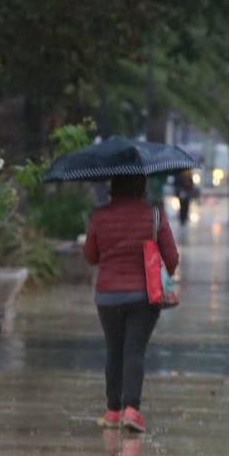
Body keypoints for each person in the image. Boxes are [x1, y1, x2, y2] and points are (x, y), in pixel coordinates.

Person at [84, 175, 179, 432]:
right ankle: (131, 410)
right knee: (134, 350)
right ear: (141, 186)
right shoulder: (154, 215)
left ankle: (113, 411)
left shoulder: (99, 216)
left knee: (114, 351)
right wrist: (159, 267)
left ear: (113, 186)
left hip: (107, 295)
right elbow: (171, 256)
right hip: (143, 295)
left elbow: (91, 256)